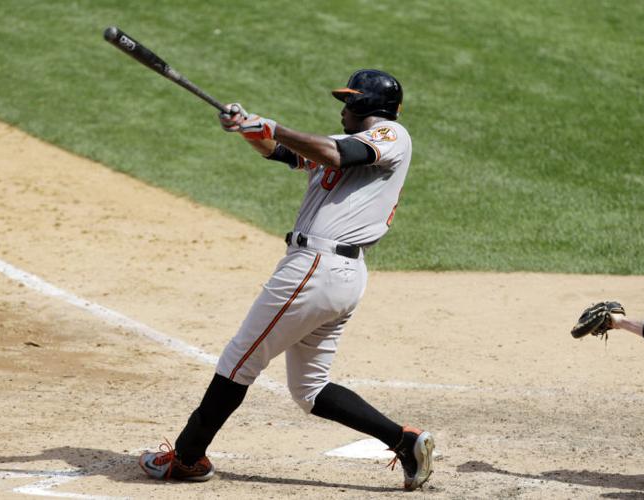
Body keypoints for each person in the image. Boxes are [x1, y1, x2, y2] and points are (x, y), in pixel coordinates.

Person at [138, 69, 435, 490]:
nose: (343, 108)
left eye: (350, 101)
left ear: (371, 106)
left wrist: (272, 124)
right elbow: (281, 152)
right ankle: (405, 441)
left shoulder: (390, 137)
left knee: (239, 360)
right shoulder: (345, 144)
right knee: (309, 390)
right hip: (334, 274)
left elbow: (337, 153)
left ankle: (186, 458)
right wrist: (247, 128)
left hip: (318, 267)